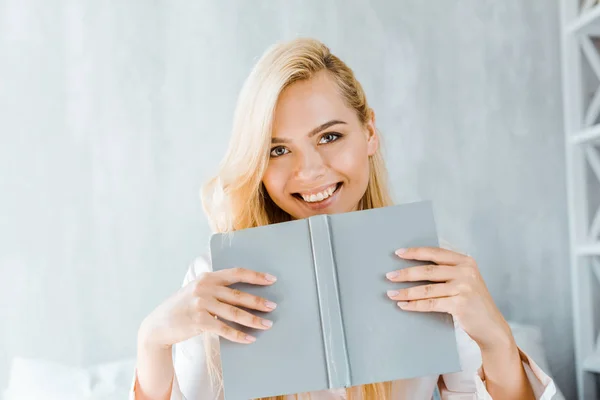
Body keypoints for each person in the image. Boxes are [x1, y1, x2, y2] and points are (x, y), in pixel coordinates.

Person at [130, 38, 556, 400]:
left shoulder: (427, 271)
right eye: (278, 150)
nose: (310, 171)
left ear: (369, 133)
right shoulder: (217, 280)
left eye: (329, 137)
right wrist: (152, 340)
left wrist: (496, 338)